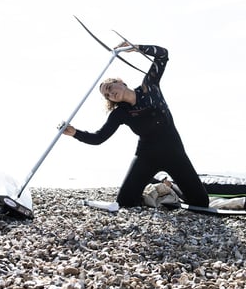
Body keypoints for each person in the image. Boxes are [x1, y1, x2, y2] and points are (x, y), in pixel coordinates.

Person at [61, 42, 209, 208]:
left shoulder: (150, 87)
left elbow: (162, 55)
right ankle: (156, 182)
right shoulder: (120, 113)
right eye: (107, 95)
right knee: (125, 202)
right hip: (147, 156)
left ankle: (169, 186)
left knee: (201, 202)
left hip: (174, 152)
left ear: (121, 82)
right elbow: (98, 138)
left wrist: (137, 48)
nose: (110, 94)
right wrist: (74, 132)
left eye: (110, 88)